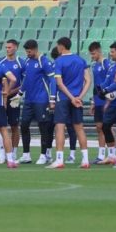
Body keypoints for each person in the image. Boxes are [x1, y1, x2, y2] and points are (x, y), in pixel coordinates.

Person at [47, 37, 91, 169]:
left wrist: (71, 98)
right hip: (77, 98)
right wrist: (79, 97)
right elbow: (88, 80)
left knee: (60, 127)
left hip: (63, 98)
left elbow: (59, 83)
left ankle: (59, 160)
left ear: (61, 46)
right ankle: (85, 160)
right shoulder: (81, 60)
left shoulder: (59, 61)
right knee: (79, 128)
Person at [18, 39, 55, 164]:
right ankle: (26, 155)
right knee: (24, 125)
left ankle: (44, 155)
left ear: (35, 49)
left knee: (43, 127)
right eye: (26, 51)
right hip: (28, 100)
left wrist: (52, 98)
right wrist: (19, 93)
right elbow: (26, 80)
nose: (27, 53)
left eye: (29, 51)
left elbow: (53, 80)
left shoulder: (44, 61)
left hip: (41, 100)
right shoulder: (27, 61)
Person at [0, 39, 25, 164]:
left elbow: (24, 83)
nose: (7, 49)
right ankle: (2, 153)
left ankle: (13, 152)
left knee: (14, 125)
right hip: (1, 98)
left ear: (16, 48)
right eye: (6, 47)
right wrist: (4, 93)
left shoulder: (21, 63)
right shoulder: (0, 62)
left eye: (10, 47)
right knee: (0, 126)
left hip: (13, 98)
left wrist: (11, 92)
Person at [49, 46, 77, 164]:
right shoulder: (75, 62)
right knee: (73, 127)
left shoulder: (58, 64)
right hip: (75, 96)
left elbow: (55, 83)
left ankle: (59, 157)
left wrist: (52, 99)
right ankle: (72, 154)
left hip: (62, 98)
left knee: (59, 127)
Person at [98, 41, 116, 165]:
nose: (111, 54)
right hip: (112, 103)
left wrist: (106, 90)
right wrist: (100, 89)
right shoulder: (112, 67)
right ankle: (112, 155)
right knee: (105, 127)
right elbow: (107, 82)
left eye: (113, 52)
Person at [88, 42, 110, 164]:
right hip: (97, 100)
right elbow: (95, 85)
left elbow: (110, 82)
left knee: (107, 127)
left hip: (106, 99)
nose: (92, 56)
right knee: (99, 127)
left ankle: (111, 154)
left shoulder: (106, 63)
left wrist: (109, 99)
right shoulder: (94, 65)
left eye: (93, 53)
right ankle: (101, 155)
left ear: (99, 51)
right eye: (91, 54)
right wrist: (93, 101)